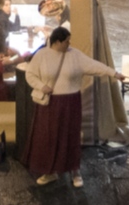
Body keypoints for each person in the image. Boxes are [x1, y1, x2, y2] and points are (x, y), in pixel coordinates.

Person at [19, 26, 114, 188]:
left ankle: (75, 170)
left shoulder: (74, 54)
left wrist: (112, 73)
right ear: (57, 41)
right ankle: (50, 171)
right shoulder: (42, 55)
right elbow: (30, 74)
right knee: (48, 136)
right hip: (49, 103)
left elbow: (92, 65)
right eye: (66, 41)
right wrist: (42, 86)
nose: (69, 44)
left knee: (70, 136)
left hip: (71, 102)